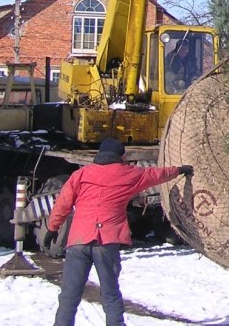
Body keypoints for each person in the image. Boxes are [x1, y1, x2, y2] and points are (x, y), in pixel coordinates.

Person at [47, 138, 194, 326]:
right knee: (110, 294)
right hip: (106, 241)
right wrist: (180, 170)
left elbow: (63, 203)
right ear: (120, 156)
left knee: (69, 294)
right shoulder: (128, 174)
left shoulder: (81, 174)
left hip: (78, 240)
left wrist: (52, 228)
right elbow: (156, 174)